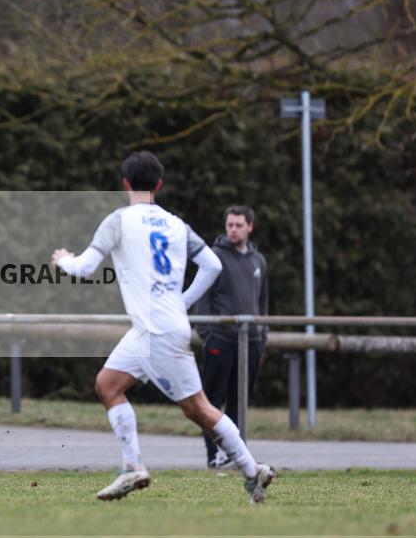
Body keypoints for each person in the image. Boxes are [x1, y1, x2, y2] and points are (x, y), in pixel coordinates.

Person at [51, 151, 275, 503]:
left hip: (158, 332)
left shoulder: (119, 220)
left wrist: (63, 260)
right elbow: (212, 265)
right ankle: (133, 467)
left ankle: (252, 471)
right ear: (159, 185)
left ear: (125, 184)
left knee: (198, 408)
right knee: (107, 385)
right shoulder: (175, 224)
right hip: (152, 328)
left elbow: (85, 268)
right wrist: (181, 302)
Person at [193, 205, 269, 469]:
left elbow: (262, 301)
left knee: (240, 401)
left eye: (239, 225)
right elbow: (202, 296)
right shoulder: (214, 257)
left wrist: (263, 336)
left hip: (250, 342)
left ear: (250, 226)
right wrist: (206, 334)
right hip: (221, 339)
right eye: (230, 225)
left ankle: (236, 455)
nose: (233, 230)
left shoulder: (258, 261)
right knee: (210, 401)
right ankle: (214, 455)